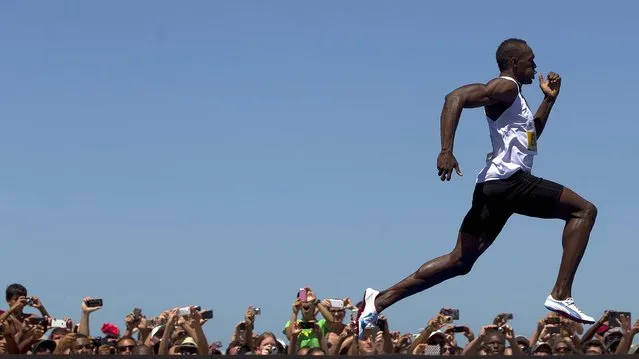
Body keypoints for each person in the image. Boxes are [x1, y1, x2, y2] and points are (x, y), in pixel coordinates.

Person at [356, 38, 597, 337]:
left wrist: (549, 99)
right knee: (584, 211)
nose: (535, 67)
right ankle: (561, 294)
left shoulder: (515, 99)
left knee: (460, 261)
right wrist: (446, 150)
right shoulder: (505, 86)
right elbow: (454, 97)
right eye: (530, 61)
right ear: (513, 63)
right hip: (510, 182)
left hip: (494, 188)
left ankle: (379, 300)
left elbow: (531, 136)